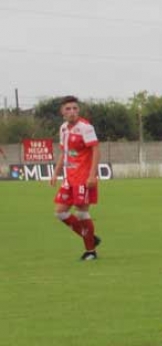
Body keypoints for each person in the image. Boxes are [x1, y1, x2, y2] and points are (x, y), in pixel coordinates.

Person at [51, 95, 102, 260]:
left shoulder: (85, 128)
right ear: (62, 112)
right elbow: (64, 152)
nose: (72, 112)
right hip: (69, 177)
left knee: (81, 213)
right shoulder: (63, 128)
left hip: (83, 177)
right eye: (68, 109)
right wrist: (56, 173)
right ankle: (90, 238)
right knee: (60, 212)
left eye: (75, 108)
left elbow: (96, 150)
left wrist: (92, 175)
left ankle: (90, 251)